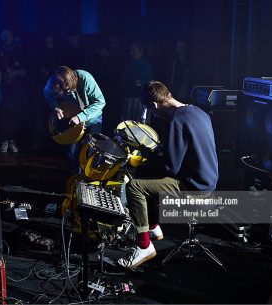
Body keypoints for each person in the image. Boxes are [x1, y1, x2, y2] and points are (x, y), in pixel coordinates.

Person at [118, 81, 218, 269]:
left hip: (194, 187)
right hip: (209, 180)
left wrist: (147, 156)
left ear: (155, 105)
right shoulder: (198, 111)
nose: (155, 115)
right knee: (149, 180)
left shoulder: (176, 120)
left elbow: (171, 166)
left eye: (152, 111)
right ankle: (153, 227)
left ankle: (144, 246)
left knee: (135, 186)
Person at [43, 66, 105, 174]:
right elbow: (47, 92)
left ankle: (87, 179)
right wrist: (55, 106)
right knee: (71, 152)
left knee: (89, 152)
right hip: (73, 121)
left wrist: (81, 117)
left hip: (92, 119)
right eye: (62, 92)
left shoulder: (85, 78)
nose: (67, 93)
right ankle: (74, 178)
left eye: (67, 90)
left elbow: (100, 102)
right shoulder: (53, 82)